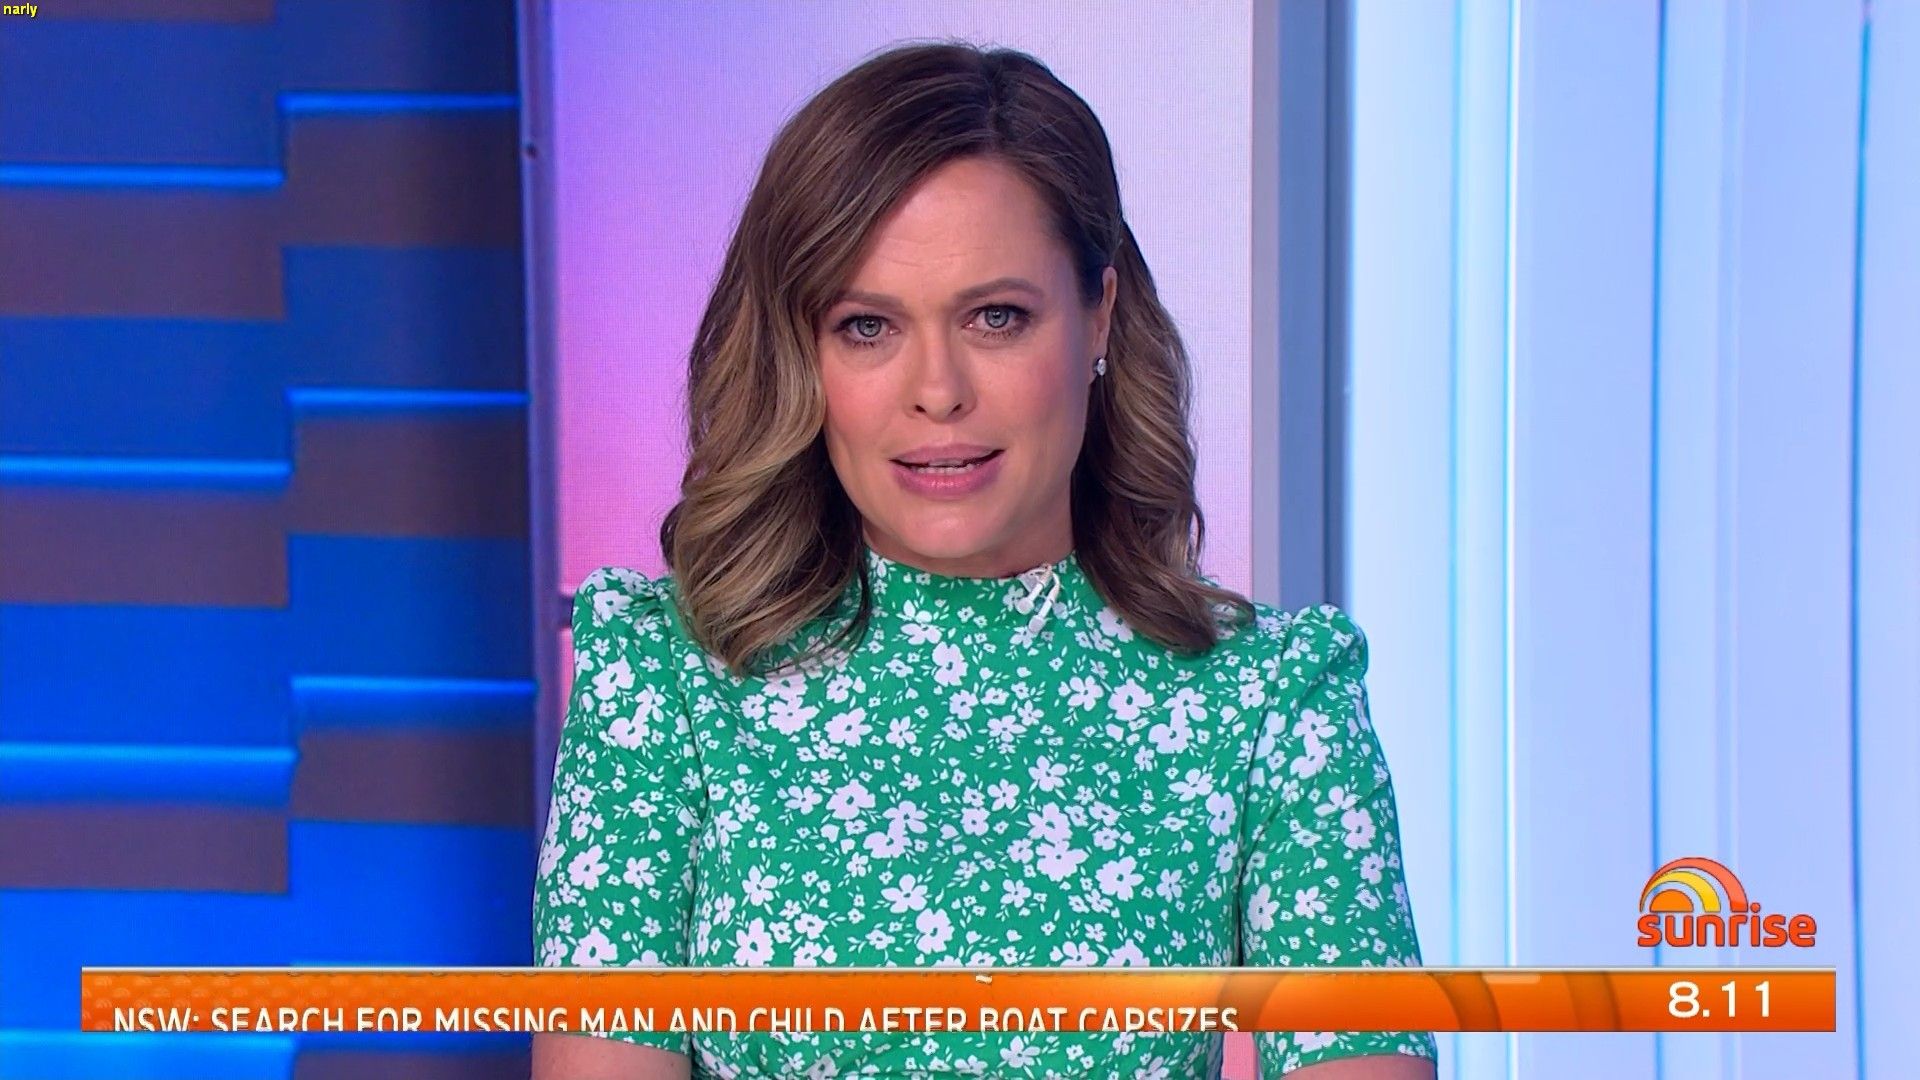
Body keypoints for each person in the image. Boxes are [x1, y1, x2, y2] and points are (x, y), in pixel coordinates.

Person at [532, 40, 1437, 1080]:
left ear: (1098, 316)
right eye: (866, 326)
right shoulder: (666, 679)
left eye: (996, 317)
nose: (938, 391)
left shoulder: (1270, 697)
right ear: (802, 352)